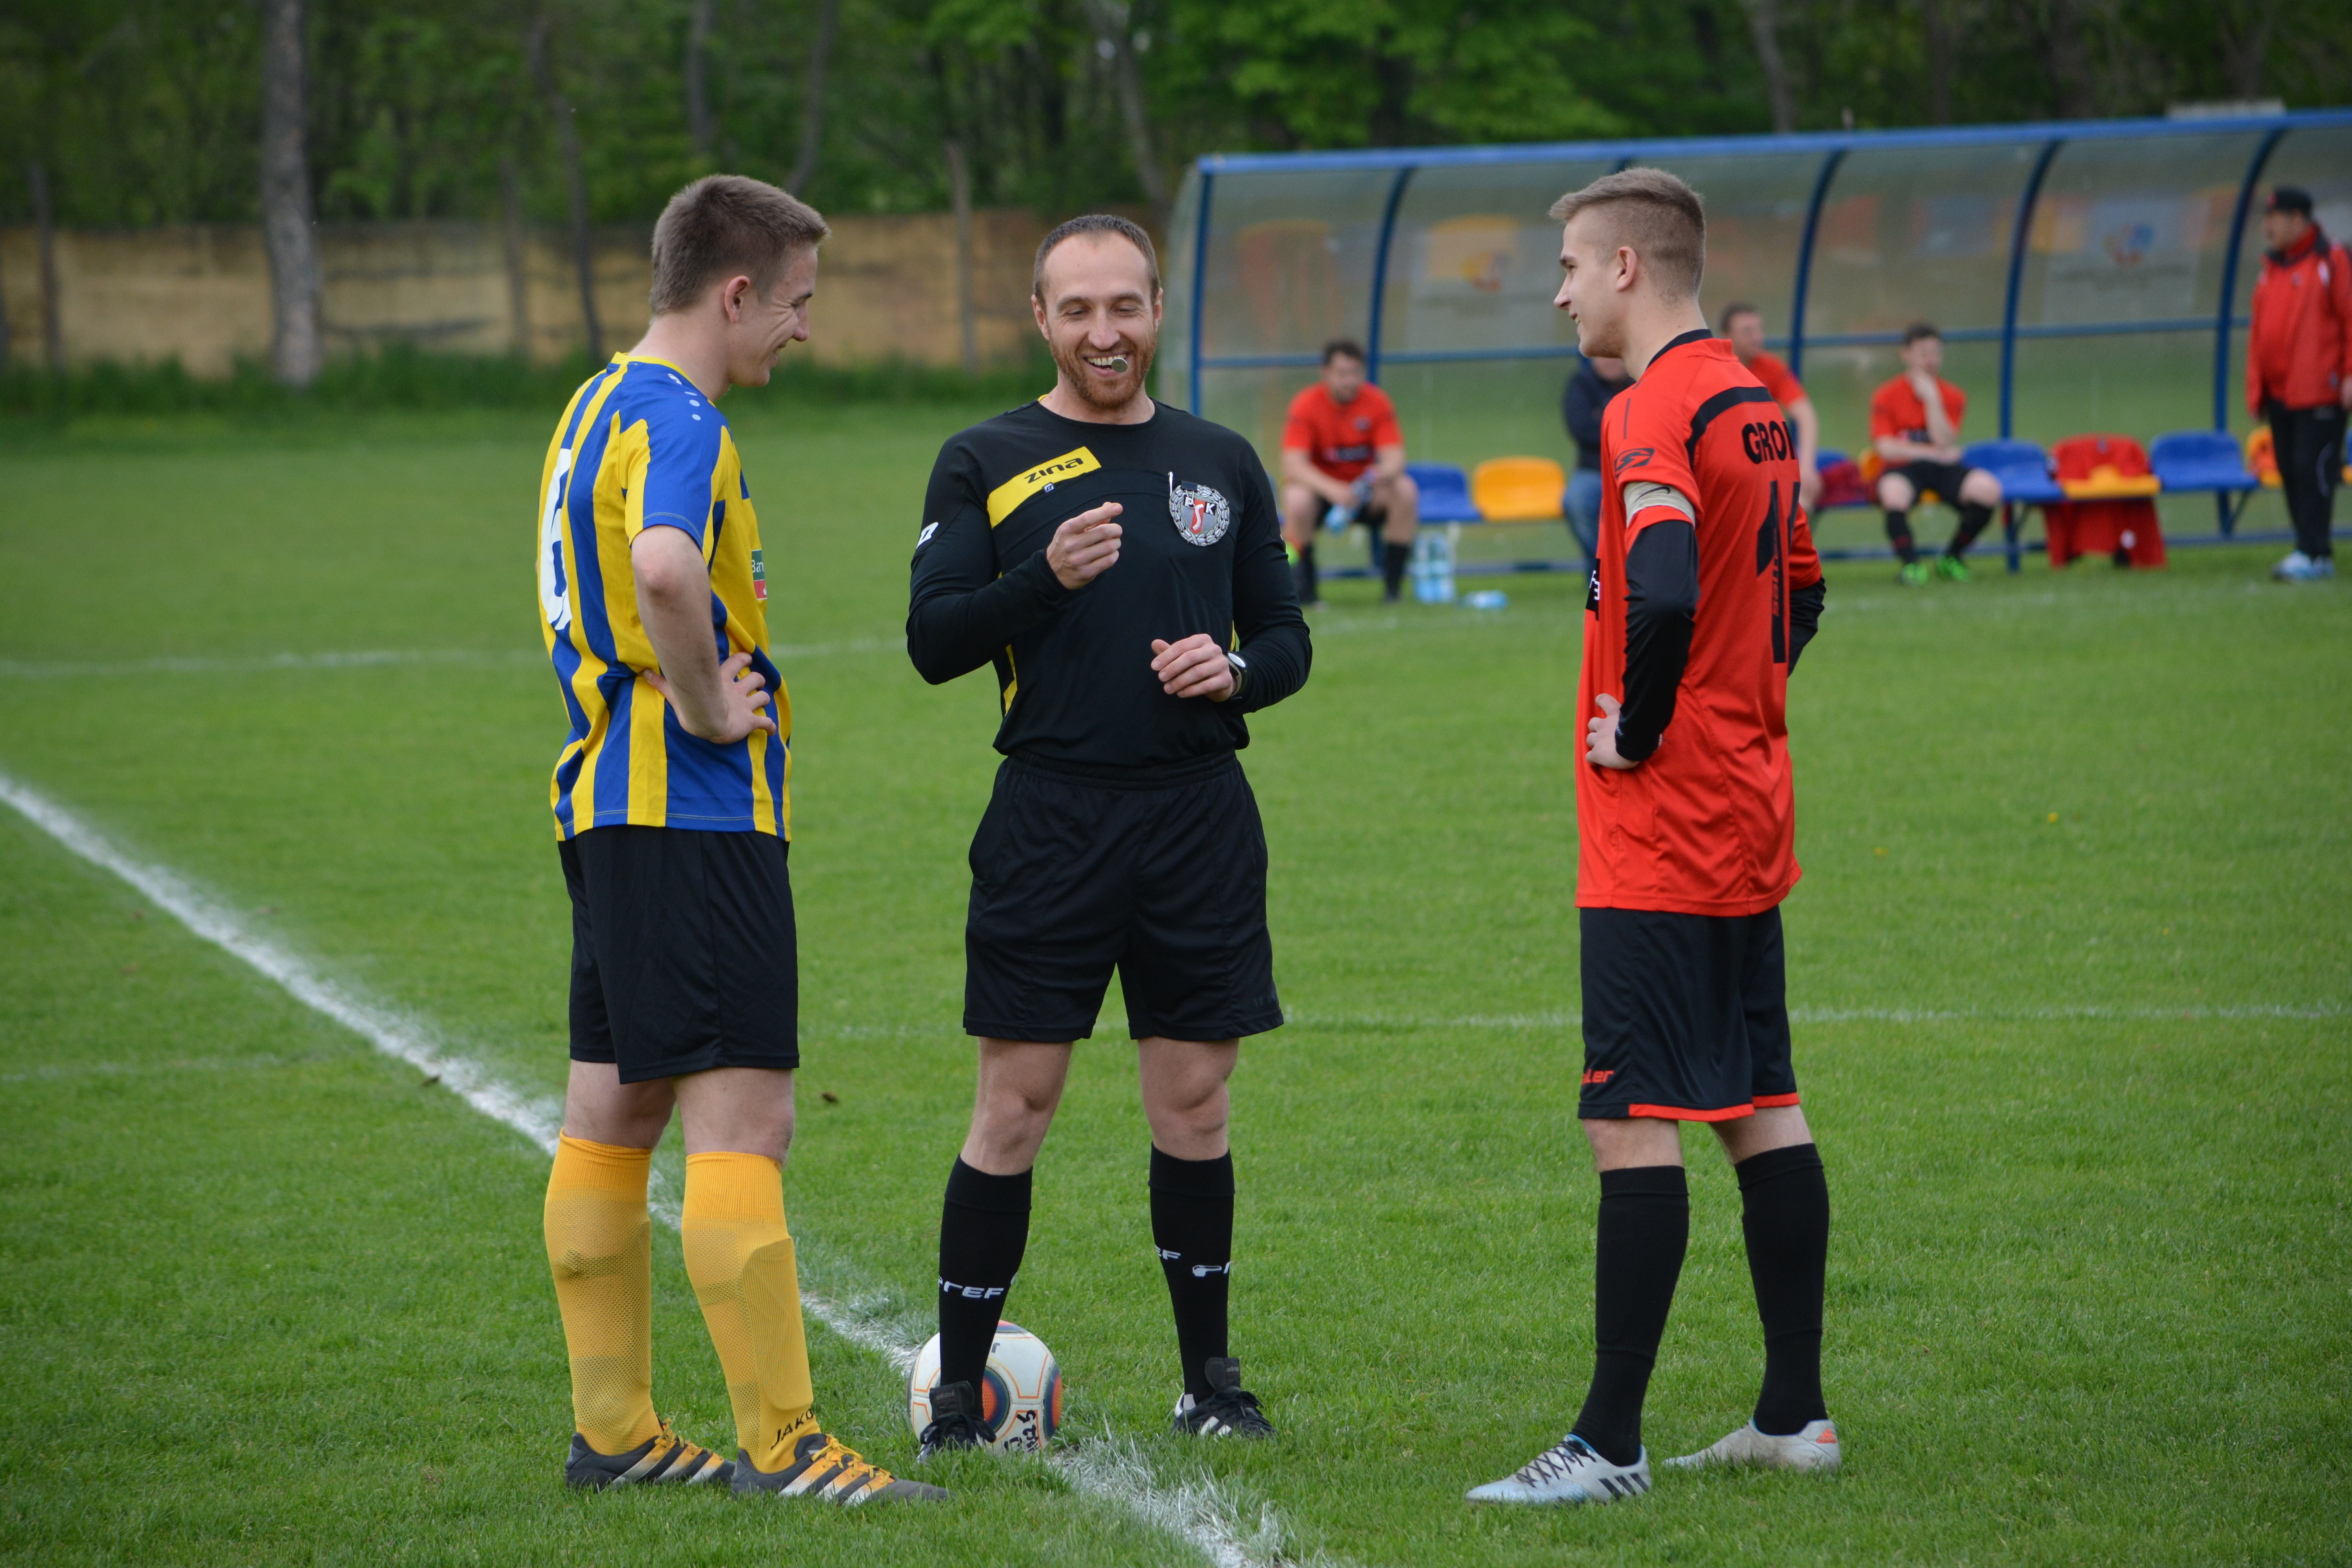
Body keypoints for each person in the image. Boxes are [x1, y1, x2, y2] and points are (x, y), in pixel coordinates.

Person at [534, 174, 944, 1506]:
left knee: (613, 1114)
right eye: (798, 302)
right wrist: (711, 698)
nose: (803, 329)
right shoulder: (682, 413)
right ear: (735, 294)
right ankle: (788, 1446)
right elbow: (664, 567)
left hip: (606, 805)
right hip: (694, 814)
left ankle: (618, 1433)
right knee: (745, 1123)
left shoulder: (594, 404)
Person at [904, 214, 1312, 1455]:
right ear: (1041, 317)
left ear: (1154, 310)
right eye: (1077, 310)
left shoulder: (1220, 457)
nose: (1103, 333)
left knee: (1193, 1103)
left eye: (1124, 307)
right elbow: (934, 641)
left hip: (1196, 817)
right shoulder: (983, 455)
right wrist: (1048, 580)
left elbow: (1286, 638)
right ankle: (960, 1399)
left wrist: (1231, 671)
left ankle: (1210, 1382)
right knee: (1014, 1105)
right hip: (1051, 817)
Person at [1468, 166, 1835, 1508]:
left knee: (1632, 1120)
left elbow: (1667, 584)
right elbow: (1802, 590)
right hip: (1749, 809)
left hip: (1662, 826)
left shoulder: (1650, 409)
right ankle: (1792, 1416)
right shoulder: (1759, 405)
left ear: (1627, 268)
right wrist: (1739, 709)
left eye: (1568, 265)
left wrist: (1647, 725)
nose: (1558, 291)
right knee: (1760, 1105)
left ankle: (1608, 1444)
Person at [2247, 185, 2352, 583]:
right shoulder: (2271, 268)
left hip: (2320, 390)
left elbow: (2349, 316)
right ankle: (2305, 547)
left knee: (2314, 468)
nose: (2267, 225)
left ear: (2298, 219)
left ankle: (2317, 552)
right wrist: (2256, 388)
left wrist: (2350, 373)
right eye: (2265, 218)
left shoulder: (2331, 259)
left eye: (2274, 217)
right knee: (2291, 469)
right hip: (2280, 393)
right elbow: (2260, 333)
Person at [1280, 339, 1420, 605]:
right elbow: (1293, 464)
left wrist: (1382, 474)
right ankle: (1305, 594)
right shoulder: (1306, 404)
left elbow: (1395, 458)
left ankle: (1393, 592)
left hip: (1363, 493)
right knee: (1297, 499)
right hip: (1322, 493)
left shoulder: (1376, 401)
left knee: (1405, 490)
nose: (1350, 381)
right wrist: (1332, 489)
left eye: (1356, 372)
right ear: (1326, 373)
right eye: (1342, 373)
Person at [1869, 322, 2002, 584]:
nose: (1931, 360)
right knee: (1893, 493)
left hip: (1942, 468)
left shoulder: (1952, 395)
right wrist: (1932, 454)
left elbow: (1944, 441)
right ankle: (1912, 567)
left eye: (1935, 353)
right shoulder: (1886, 395)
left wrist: (1932, 399)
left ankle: (1951, 559)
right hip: (1904, 467)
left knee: (1988, 490)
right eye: (1923, 353)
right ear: (1905, 355)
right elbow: (1885, 447)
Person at [1719, 303, 1822, 514]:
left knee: (1805, 493)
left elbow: (1806, 416)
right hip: (1726, 463)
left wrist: (1807, 465)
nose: (1757, 337)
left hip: (1766, 458)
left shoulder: (1772, 367)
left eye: (1758, 329)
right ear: (1726, 336)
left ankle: (1790, 546)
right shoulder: (1715, 369)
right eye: (1747, 332)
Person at [1562, 353, 1634, 561]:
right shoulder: (1581, 384)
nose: (1610, 361)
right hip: (1593, 471)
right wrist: (1624, 428)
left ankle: (1632, 566)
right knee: (1576, 501)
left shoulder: (1640, 381)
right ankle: (1604, 564)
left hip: (1635, 468)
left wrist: (1602, 420)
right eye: (1603, 356)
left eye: (1615, 355)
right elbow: (1581, 430)